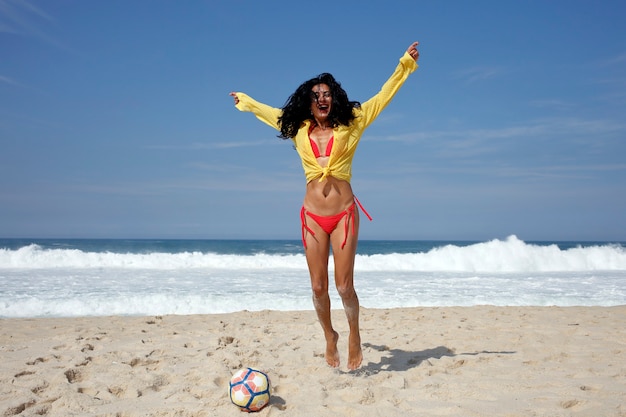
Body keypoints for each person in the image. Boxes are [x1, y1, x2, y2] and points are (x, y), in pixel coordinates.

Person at [229, 42, 420, 370]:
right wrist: (246, 102)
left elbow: (383, 96)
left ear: (335, 99)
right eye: (316, 94)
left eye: (327, 94)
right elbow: (268, 113)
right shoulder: (297, 128)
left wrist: (404, 65)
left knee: (344, 285)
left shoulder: (353, 123)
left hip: (344, 213)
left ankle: (354, 334)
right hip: (313, 217)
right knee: (318, 286)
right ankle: (330, 335)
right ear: (309, 101)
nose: (322, 98)